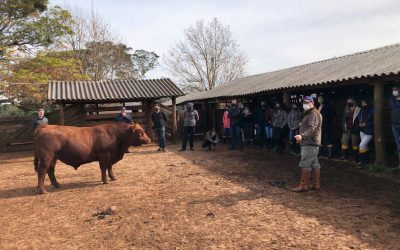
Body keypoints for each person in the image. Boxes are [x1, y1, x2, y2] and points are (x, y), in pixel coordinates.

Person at [292, 96, 322, 192]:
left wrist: (302, 136)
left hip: (310, 142)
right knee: (314, 163)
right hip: (312, 142)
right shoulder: (312, 113)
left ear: (312, 103)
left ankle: (303, 185)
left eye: (307, 102)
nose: (305, 104)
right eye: (304, 102)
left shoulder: (313, 113)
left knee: (305, 163)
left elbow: (312, 128)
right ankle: (316, 184)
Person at [358, 99, 374, 167]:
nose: (363, 104)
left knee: (361, 145)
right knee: (365, 146)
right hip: (362, 130)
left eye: (364, 103)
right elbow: (358, 117)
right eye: (362, 103)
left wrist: (366, 124)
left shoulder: (372, 110)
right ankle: (366, 160)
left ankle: (362, 162)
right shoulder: (362, 110)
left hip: (369, 130)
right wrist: (360, 122)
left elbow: (375, 121)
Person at [390, 86, 400, 169]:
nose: (394, 91)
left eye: (395, 90)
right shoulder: (391, 99)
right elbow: (394, 106)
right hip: (394, 123)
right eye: (393, 90)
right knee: (398, 143)